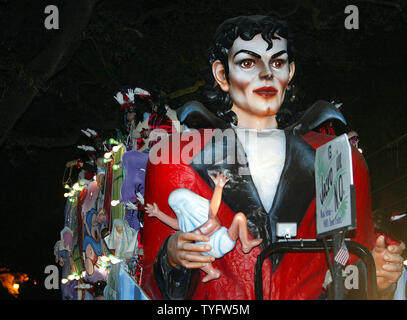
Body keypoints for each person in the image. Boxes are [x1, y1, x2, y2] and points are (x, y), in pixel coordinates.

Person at [141, 15, 404, 300]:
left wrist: (373, 274)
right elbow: (152, 286)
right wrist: (171, 257)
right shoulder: (175, 159)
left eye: (277, 63)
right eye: (247, 63)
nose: (266, 74)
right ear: (221, 74)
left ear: (289, 73)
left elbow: (345, 263)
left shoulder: (340, 159)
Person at [145, 172, 262, 282]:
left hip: (215, 247)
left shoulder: (193, 222)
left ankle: (216, 267)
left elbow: (211, 208)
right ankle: (241, 247)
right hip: (217, 246)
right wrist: (158, 214)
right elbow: (212, 207)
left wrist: (158, 213)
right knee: (239, 217)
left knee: (238, 218)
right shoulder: (195, 219)